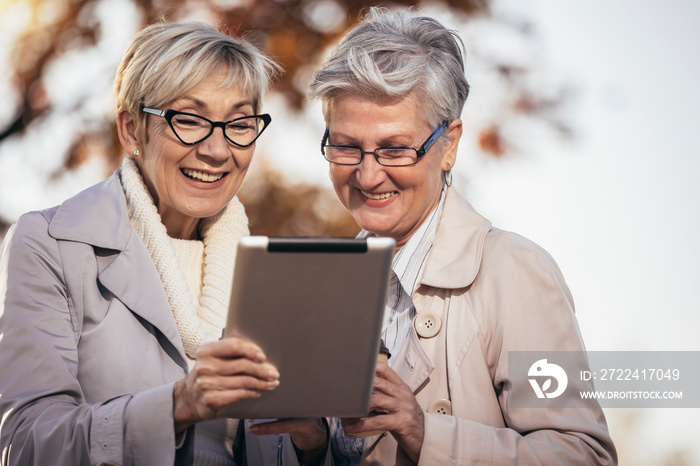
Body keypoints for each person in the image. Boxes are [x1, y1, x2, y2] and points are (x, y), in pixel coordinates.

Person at [0, 21, 326, 465]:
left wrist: (313, 441)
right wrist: (176, 406)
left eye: (239, 123)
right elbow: (27, 443)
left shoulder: (269, 275)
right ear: (131, 129)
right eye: (190, 120)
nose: (217, 150)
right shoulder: (49, 245)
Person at [303, 7, 617, 465]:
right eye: (347, 146)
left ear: (448, 145)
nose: (368, 175)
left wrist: (424, 431)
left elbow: (584, 455)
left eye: (394, 148)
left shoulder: (513, 270)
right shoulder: (321, 287)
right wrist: (310, 445)